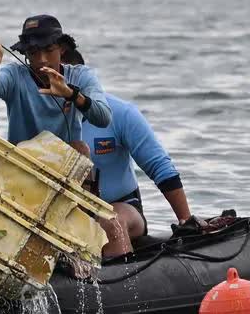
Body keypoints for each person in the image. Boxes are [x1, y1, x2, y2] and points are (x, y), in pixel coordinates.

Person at [58, 35, 195, 257]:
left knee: (110, 222)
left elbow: (161, 168)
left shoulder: (121, 113)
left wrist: (186, 221)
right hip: (63, 212)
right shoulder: (41, 120)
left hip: (121, 207)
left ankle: (124, 286)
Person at [0, 14, 111, 146]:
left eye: (49, 50)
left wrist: (71, 94)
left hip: (66, 159)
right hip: (22, 160)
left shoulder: (81, 75)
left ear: (62, 49)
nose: (42, 59)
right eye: (33, 52)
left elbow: (104, 118)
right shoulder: (15, 75)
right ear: (25, 53)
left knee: (81, 148)